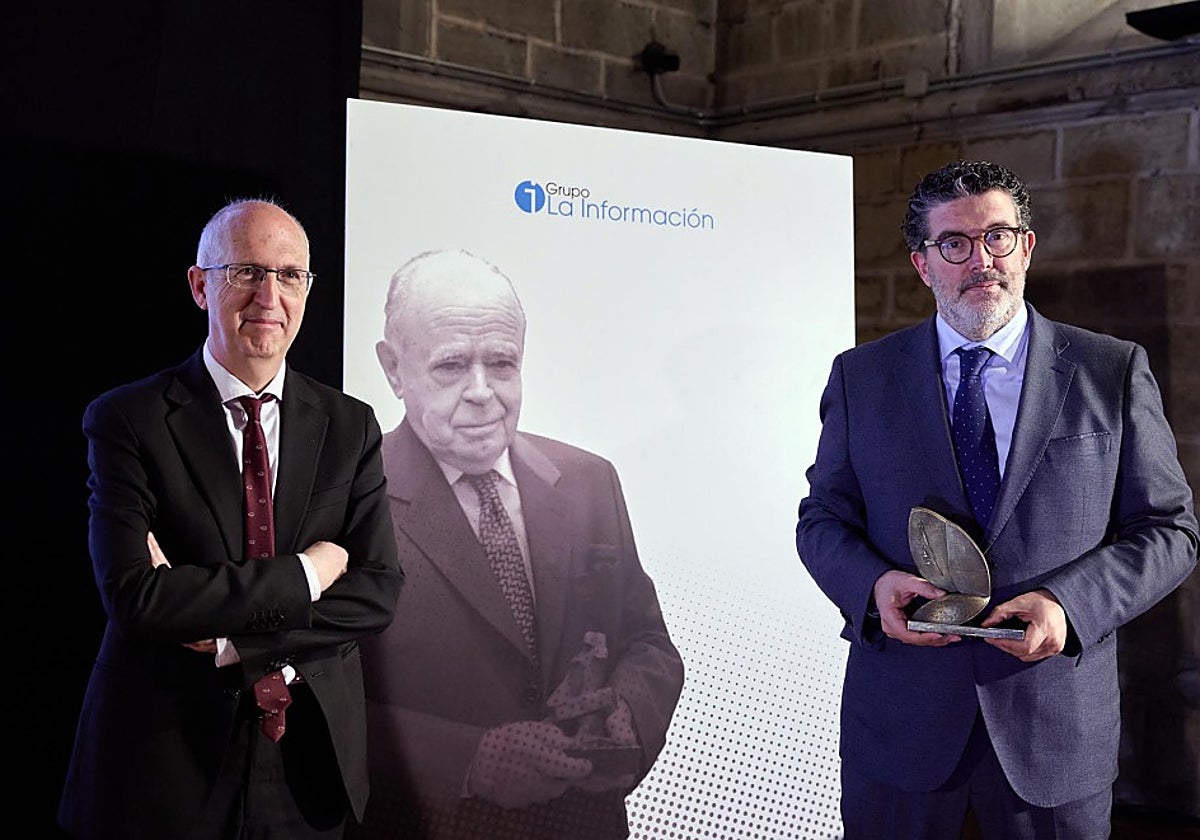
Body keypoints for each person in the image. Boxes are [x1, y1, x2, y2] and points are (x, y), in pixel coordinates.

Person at [795, 160, 1198, 839]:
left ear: (1027, 247)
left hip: (1054, 734)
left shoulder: (1111, 369)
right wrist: (873, 587)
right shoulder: (862, 378)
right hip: (902, 728)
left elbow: (1170, 531)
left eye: (998, 237)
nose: (981, 260)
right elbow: (823, 520)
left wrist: (1069, 604)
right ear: (922, 264)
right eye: (955, 243)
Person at [57, 198, 404, 839]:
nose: (269, 296)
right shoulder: (127, 421)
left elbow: (377, 592)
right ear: (200, 285)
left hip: (308, 763)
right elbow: (136, 598)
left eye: (290, 275)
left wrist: (227, 640)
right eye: (247, 272)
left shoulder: (350, 426)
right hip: (161, 764)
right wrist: (306, 573)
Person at [349, 248, 685, 840]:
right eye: (451, 366)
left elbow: (648, 641)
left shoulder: (588, 479)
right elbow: (313, 693)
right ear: (393, 369)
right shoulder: (345, 498)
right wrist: (469, 760)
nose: (482, 392)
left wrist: (628, 714)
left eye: (502, 364)